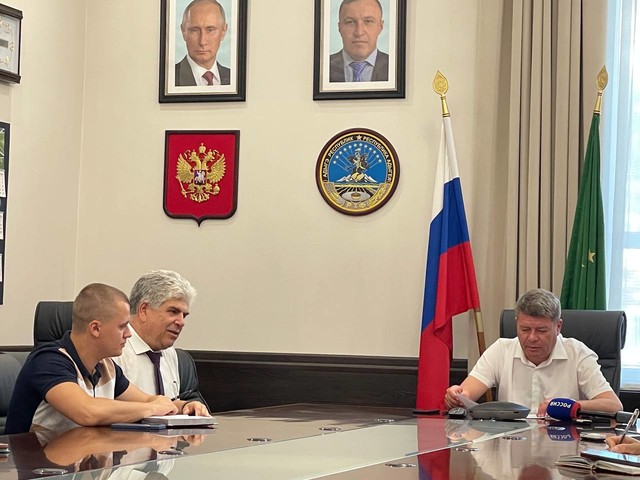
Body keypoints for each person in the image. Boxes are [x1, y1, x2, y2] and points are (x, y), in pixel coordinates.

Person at [5, 284, 179, 434]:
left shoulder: (106, 366)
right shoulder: (48, 361)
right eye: (122, 326)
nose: (128, 334)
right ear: (95, 328)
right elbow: (86, 411)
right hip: (34, 461)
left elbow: (148, 400)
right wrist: (152, 408)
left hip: (81, 459)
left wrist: (182, 407)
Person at [445, 289, 623, 416]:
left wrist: (569, 406)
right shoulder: (501, 350)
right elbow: (466, 394)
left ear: (558, 327)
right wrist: (457, 396)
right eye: (524, 329)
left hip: (563, 446)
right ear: (516, 323)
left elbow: (613, 405)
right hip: (511, 445)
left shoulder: (578, 354)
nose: (531, 338)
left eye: (541, 330)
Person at [114, 270, 208, 412]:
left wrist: (185, 406)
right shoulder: (115, 351)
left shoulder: (169, 352)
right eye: (173, 311)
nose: (181, 322)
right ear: (143, 310)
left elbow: (167, 405)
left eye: (184, 315)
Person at [329, 0, 388, 83]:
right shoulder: (322, 67)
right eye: (350, 22)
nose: (359, 32)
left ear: (380, 27)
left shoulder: (396, 67)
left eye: (368, 21)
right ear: (340, 27)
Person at [175, 0, 229, 86]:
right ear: (183, 32)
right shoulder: (169, 79)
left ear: (223, 31)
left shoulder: (235, 79)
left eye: (210, 30)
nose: (202, 42)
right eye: (194, 30)